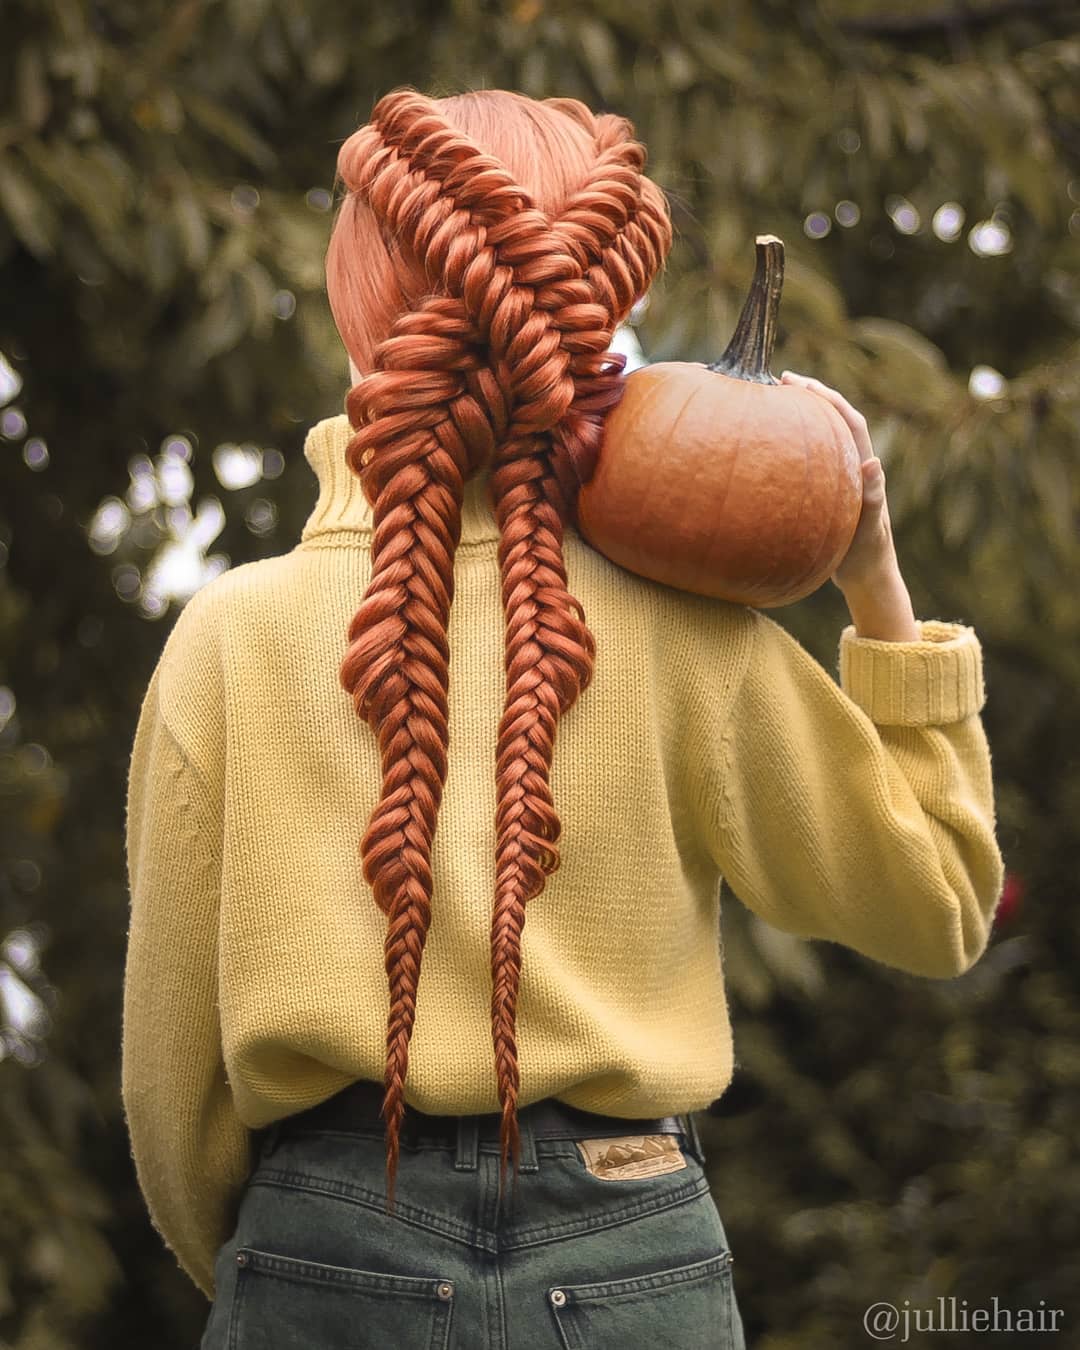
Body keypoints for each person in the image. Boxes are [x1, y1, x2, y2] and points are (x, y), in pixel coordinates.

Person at [120, 86, 1005, 1350]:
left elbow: (171, 1090)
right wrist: (877, 589)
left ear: (357, 297)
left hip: (317, 1240)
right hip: (632, 1250)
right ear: (598, 302)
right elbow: (941, 904)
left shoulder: (230, 638)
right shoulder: (690, 633)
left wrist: (289, 1252)